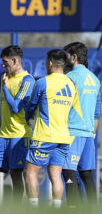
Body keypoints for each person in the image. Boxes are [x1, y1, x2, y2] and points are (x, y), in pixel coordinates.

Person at [24, 49, 77, 208]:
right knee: (56, 175)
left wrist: (28, 118)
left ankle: (33, 208)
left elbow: (31, 106)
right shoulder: (71, 84)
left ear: (50, 63)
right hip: (63, 137)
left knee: (30, 172)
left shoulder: (43, 82)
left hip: (44, 136)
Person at [0, 46, 35, 202]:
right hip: (2, 135)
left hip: (19, 135)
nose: (3, 66)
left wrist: (6, 88)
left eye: (5, 62)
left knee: (16, 174)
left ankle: (16, 208)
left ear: (15, 60)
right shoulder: (4, 77)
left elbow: (15, 107)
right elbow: (2, 102)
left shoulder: (28, 80)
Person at [62, 42, 101, 205]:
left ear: (74, 57)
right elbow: (97, 113)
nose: (64, 60)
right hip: (88, 134)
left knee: (68, 171)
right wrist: (91, 134)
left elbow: (61, 106)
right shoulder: (95, 79)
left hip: (73, 132)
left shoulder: (70, 77)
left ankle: (73, 209)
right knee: (87, 175)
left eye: (66, 56)